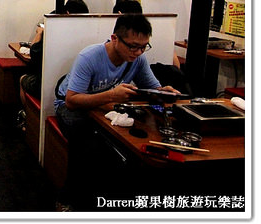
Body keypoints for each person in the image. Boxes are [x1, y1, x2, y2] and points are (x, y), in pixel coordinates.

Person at [53, 14, 180, 210]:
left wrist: (164, 92)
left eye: (143, 47)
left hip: (103, 108)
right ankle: (68, 199)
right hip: (70, 106)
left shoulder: (138, 59)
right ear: (114, 39)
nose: (138, 52)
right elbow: (71, 101)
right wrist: (111, 95)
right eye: (133, 46)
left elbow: (152, 88)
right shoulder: (89, 57)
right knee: (86, 138)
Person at [19, 0, 89, 100]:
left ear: (67, 13)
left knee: (23, 79)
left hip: (49, 87)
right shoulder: (87, 33)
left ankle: (26, 110)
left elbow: (34, 54)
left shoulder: (56, 32)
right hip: (78, 87)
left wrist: (39, 33)